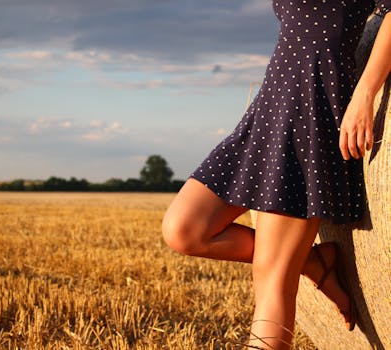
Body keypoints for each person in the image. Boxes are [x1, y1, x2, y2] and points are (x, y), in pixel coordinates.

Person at [162, 1, 391, 349]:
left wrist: (364, 94)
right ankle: (312, 261)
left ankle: (299, 263)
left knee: (271, 283)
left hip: (310, 112)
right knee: (184, 230)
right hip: (269, 108)